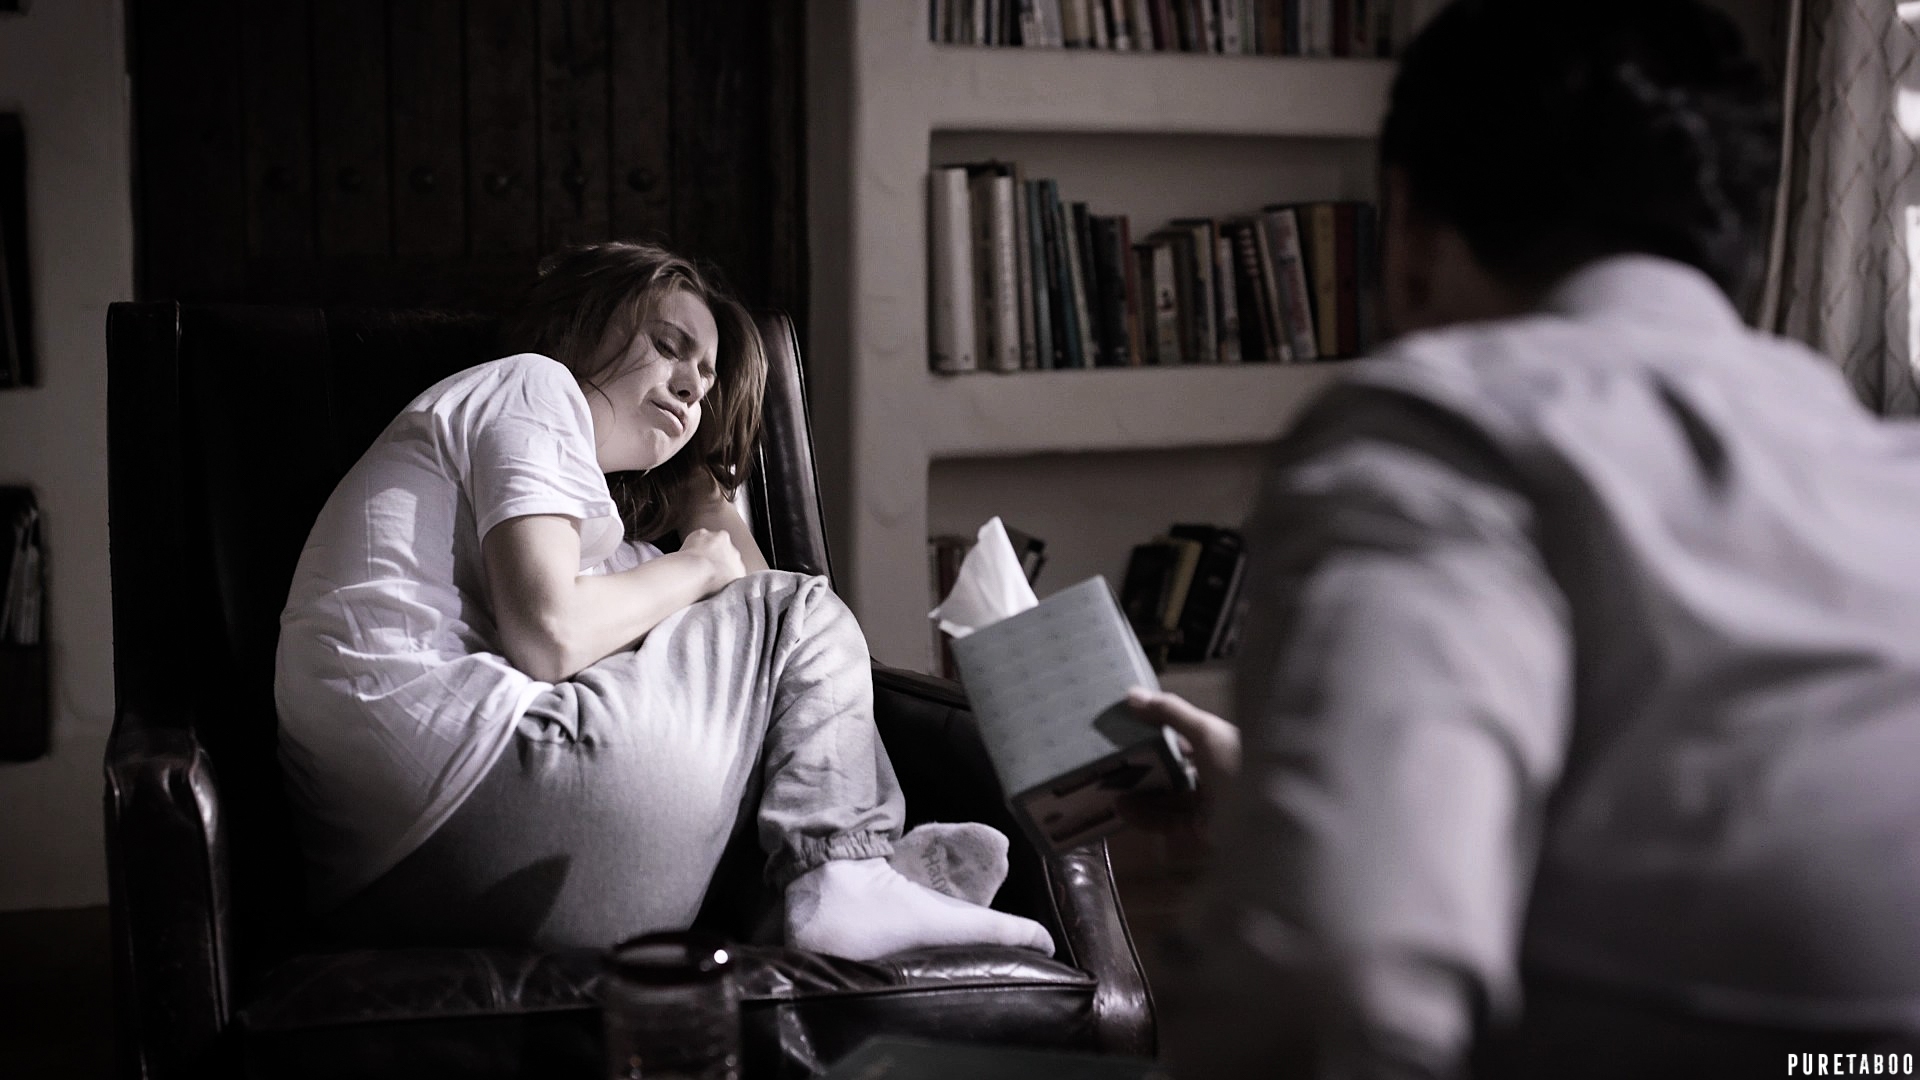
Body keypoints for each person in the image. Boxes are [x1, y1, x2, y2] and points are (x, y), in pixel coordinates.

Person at [1126, 2, 1920, 1076]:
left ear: (1408, 227)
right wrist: (1290, 795)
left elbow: (1336, 979)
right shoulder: (1880, 460)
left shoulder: (1440, 427)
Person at [274, 240, 1054, 960]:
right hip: (472, 794)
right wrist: (696, 567)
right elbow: (554, 635)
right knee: (801, 610)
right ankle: (850, 875)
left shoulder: (600, 551)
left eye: (707, 381)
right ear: (583, 327)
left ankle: (839, 887)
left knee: (780, 668)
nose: (690, 385)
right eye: (669, 346)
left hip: (399, 885)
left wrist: (704, 495)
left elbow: (769, 663)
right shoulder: (530, 384)